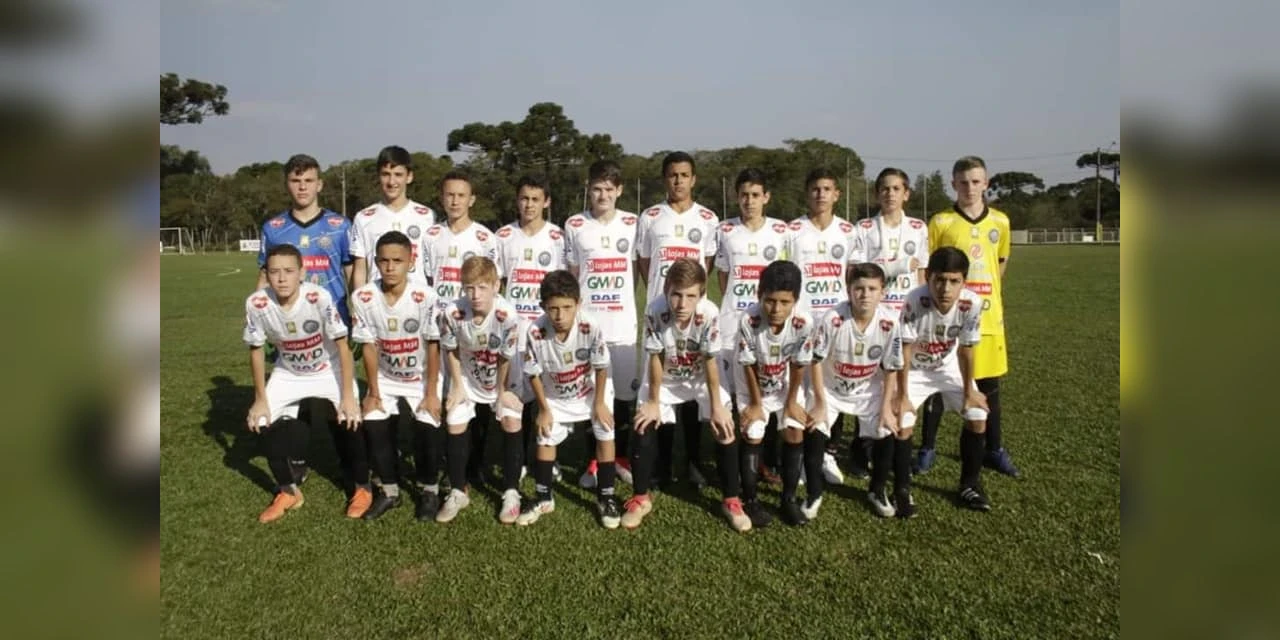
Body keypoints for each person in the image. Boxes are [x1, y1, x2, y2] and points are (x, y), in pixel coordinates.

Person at [254, 153, 364, 498]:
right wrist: (259, 315)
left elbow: (351, 272)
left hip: (332, 326)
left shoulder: (339, 226)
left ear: (320, 184)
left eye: (308, 180)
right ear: (287, 184)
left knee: (336, 400)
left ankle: (349, 469)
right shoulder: (273, 228)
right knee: (296, 398)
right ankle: (297, 462)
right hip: (289, 327)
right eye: (295, 181)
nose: (302, 187)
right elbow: (265, 276)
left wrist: (358, 311)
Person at [243, 244, 361, 522]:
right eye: (274, 272)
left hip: (328, 368)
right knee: (261, 422)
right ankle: (288, 491)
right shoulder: (256, 303)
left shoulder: (318, 297)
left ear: (302, 273)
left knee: (351, 417)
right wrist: (260, 399)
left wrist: (347, 396)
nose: (282, 278)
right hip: (289, 372)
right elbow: (256, 351)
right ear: (266, 274)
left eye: (289, 271)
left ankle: (361, 487)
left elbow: (343, 346)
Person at [922, 156, 1019, 478]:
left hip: (989, 319)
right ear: (954, 184)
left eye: (976, 181)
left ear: (986, 183)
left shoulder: (1000, 222)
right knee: (936, 382)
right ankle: (927, 448)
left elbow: (1001, 263)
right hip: (947, 318)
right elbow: (929, 270)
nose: (970, 188)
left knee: (990, 385)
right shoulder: (941, 222)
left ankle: (994, 449)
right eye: (963, 182)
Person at [624, 259, 735, 530]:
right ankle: (640, 499)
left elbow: (710, 361)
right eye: (676, 294)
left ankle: (732, 500)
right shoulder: (655, 309)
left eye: (690, 296)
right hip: (666, 377)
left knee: (725, 426)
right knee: (643, 424)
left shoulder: (709, 313)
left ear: (701, 295)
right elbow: (656, 356)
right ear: (666, 290)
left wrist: (717, 406)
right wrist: (653, 401)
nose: (682, 304)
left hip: (700, 377)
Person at [635, 151, 720, 488]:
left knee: (693, 384)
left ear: (693, 179)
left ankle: (694, 461)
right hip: (662, 314)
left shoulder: (708, 218)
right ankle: (664, 463)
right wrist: (662, 293)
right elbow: (645, 262)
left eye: (685, 175)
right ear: (664, 179)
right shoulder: (650, 217)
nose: (679, 180)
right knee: (662, 385)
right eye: (673, 175)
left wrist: (689, 296)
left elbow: (707, 265)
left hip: (693, 316)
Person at [348, 231, 443, 521]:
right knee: (374, 422)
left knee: (428, 427)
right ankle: (389, 491)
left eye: (397, 261)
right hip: (386, 378)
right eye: (384, 261)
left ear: (411, 262)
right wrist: (373, 391)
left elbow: (433, 345)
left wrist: (431, 393)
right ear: (376, 262)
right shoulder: (363, 297)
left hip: (421, 378)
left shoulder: (426, 297)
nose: (390, 267)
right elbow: (368, 347)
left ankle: (429, 489)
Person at [515, 271, 621, 528]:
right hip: (554, 393)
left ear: (578, 304)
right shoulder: (535, 331)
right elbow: (533, 373)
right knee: (545, 434)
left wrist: (599, 403)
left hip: (590, 390)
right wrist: (543, 409)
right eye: (553, 308)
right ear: (543, 306)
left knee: (605, 428)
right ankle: (544, 497)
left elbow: (601, 366)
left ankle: (606, 497)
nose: (560, 316)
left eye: (567, 307)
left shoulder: (590, 326)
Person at [845, 167, 930, 479]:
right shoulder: (865, 228)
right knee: (870, 382)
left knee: (901, 383)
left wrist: (922, 313)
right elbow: (858, 272)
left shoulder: (918, 228)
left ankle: (895, 449)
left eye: (896, 189)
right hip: (874, 316)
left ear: (906, 193)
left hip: (906, 318)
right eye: (884, 188)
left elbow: (921, 275)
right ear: (876, 193)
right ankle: (862, 448)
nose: (890, 194)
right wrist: (897, 265)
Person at [421, 169, 502, 488]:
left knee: (476, 395)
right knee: (445, 395)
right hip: (439, 326)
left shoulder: (484, 238)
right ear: (441, 198)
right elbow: (429, 279)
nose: (454, 201)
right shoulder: (430, 235)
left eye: (461, 195)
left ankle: (475, 465)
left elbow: (492, 284)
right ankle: (448, 462)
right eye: (449, 195)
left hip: (473, 328)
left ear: (472, 199)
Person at [812, 263, 911, 518]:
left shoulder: (890, 322)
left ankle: (877, 490)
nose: (865, 294)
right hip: (831, 389)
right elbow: (815, 361)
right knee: (815, 427)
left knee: (885, 428)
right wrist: (820, 402)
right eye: (859, 288)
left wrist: (886, 408)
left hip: (868, 390)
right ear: (848, 290)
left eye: (872, 289)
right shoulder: (832, 319)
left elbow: (891, 368)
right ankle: (813, 492)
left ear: (882, 292)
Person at [562, 160, 639, 489]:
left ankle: (620, 457)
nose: (603, 195)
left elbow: (637, 272)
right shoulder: (575, 224)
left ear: (619, 190)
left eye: (609, 189)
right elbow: (573, 275)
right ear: (588, 189)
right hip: (589, 328)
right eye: (597, 189)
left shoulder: (633, 224)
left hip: (622, 326)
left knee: (623, 398)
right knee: (590, 395)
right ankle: (592, 460)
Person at [897, 247, 993, 511]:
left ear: (964, 281)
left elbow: (966, 350)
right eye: (939, 280)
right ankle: (901, 489)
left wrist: (969, 391)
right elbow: (904, 350)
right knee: (902, 422)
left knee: (977, 415)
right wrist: (902, 396)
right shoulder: (915, 299)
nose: (945, 289)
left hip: (948, 366)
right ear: (928, 276)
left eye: (954, 281)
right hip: (915, 369)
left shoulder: (971, 303)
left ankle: (970, 485)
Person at [715, 168, 790, 487]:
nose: (749, 201)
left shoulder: (781, 231)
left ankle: (765, 460)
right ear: (737, 197)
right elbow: (723, 276)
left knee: (767, 391)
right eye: (744, 195)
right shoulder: (725, 230)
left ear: (766, 197)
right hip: (732, 323)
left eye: (755, 195)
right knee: (732, 395)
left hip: (768, 325)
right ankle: (730, 459)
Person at [786, 167, 857, 487]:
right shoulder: (792, 230)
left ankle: (827, 451)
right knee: (800, 387)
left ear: (837, 194)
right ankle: (799, 454)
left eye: (827, 189)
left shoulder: (848, 231)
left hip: (836, 322)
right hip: (802, 321)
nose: (821, 194)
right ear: (807, 193)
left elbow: (852, 278)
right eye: (815, 189)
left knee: (832, 385)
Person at [436, 256, 522, 523]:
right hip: (468, 377)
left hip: (503, 378)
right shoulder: (452, 313)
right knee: (454, 420)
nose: (475, 295)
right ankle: (458, 491)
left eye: (483, 287)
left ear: (496, 286)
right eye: (469, 288)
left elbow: (505, 357)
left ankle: (511, 492)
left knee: (510, 419)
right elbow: (451, 350)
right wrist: (457, 386)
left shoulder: (507, 315)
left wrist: (501, 393)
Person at [734, 261, 817, 528]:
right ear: (759, 294)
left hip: (784, 385)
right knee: (753, 432)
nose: (776, 309)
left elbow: (799, 364)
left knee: (794, 430)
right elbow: (748, 364)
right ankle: (750, 500)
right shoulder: (748, 320)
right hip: (752, 387)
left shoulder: (804, 323)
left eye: (785, 302)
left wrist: (791, 402)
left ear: (795, 300)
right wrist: (756, 404)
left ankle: (788, 499)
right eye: (770, 301)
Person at [495, 175, 566, 482]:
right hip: (516, 331)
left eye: (536, 199)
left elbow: (563, 285)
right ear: (517, 200)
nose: (529, 205)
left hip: (546, 330)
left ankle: (547, 458)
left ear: (546, 202)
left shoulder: (558, 237)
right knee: (518, 397)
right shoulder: (503, 236)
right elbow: (498, 284)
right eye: (524, 198)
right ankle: (521, 459)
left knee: (546, 396)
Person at [349, 145, 436, 290]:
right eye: (386, 174)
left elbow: (433, 267)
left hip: (417, 298)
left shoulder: (427, 216)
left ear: (409, 176)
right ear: (378, 176)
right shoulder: (363, 217)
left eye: (398, 174)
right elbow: (360, 269)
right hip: (377, 299)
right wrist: (359, 300)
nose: (391, 181)